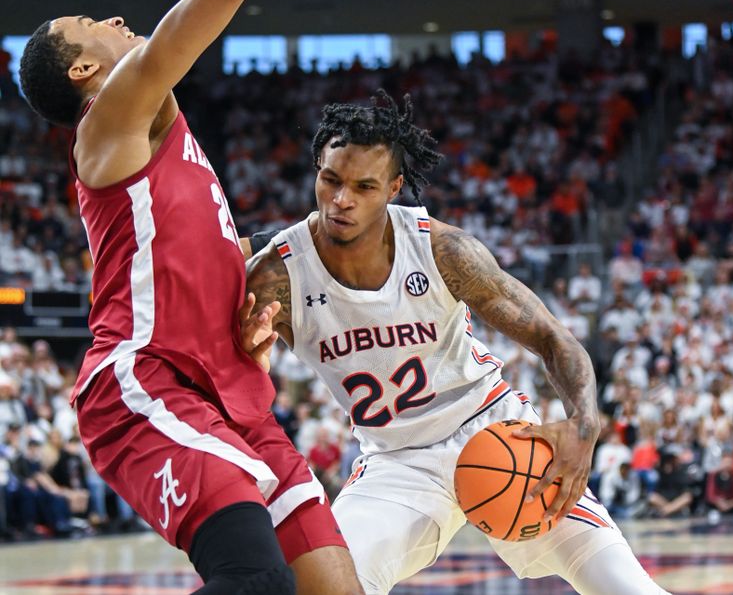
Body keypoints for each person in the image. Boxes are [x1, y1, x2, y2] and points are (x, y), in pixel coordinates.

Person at [18, 0, 363, 593]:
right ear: (83, 71)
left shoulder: (168, 143)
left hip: (232, 393)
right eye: (97, 26)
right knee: (257, 581)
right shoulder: (108, 118)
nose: (117, 20)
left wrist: (249, 306)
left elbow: (213, 261)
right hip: (147, 378)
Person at [245, 92, 671, 594]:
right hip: (395, 460)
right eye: (331, 180)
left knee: (629, 588)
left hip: (495, 429)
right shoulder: (276, 275)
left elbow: (553, 340)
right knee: (324, 587)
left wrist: (583, 425)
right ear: (317, 168)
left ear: (394, 188)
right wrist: (250, 365)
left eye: (363, 186)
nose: (341, 200)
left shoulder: (442, 250)